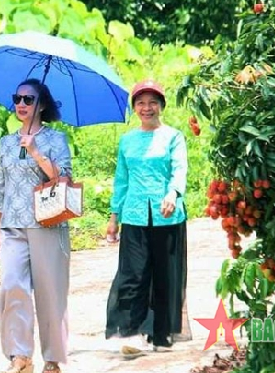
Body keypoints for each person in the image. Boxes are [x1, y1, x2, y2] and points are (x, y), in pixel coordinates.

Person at [0, 78, 73, 373]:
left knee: (51, 292)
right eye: (17, 98)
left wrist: (36, 151)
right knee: (12, 286)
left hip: (47, 225)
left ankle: (52, 359)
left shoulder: (56, 139)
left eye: (29, 99)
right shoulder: (6, 142)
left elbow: (61, 177)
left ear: (42, 105)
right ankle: (20, 355)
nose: (21, 104)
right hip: (12, 226)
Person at [104, 80, 189, 357]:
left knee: (165, 277)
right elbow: (121, 180)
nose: (147, 108)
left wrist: (173, 194)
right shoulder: (127, 140)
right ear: (134, 108)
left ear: (161, 106)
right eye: (141, 103)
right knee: (133, 276)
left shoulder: (173, 137)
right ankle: (132, 333)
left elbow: (179, 170)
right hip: (135, 216)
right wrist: (114, 215)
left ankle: (161, 334)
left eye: (153, 102)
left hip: (168, 216)